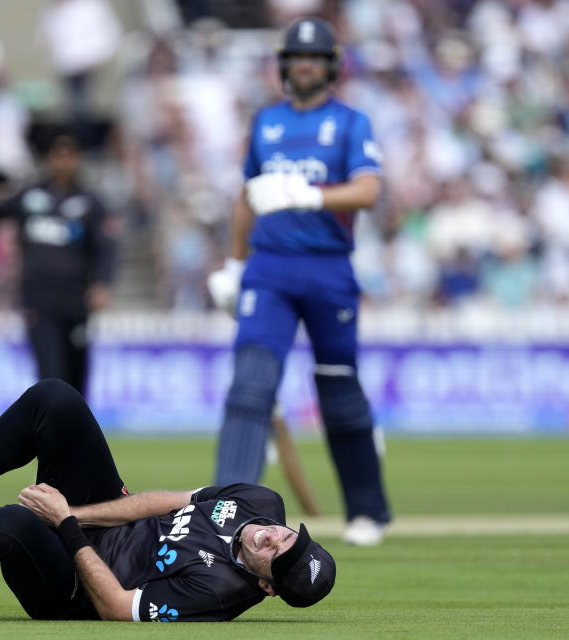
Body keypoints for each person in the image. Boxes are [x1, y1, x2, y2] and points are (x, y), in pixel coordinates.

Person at [0, 378, 336, 622]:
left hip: (77, 589)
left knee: (17, 525)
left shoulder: (220, 592)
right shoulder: (260, 501)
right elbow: (162, 502)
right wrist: (77, 511)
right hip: (100, 524)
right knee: (57, 401)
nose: (270, 536)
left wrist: (65, 527)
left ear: (267, 588)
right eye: (286, 535)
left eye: (275, 554)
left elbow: (118, 607)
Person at [207, 18, 391, 545]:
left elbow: (368, 191)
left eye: (314, 57)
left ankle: (365, 511)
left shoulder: (351, 122)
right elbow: (248, 199)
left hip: (328, 267)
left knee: (338, 388)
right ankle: (226, 513)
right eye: (296, 57)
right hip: (269, 269)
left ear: (330, 66)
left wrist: (308, 195)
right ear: (285, 65)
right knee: (250, 386)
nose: (304, 65)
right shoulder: (266, 123)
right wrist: (236, 265)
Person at [0, 128, 116, 394]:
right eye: (57, 155)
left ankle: (73, 434)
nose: (63, 161)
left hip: (75, 300)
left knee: (76, 376)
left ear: (78, 158)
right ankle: (50, 433)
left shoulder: (90, 203)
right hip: (39, 300)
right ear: (49, 158)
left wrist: (103, 283)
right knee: (51, 375)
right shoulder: (30, 197)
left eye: (69, 154)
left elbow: (105, 248)